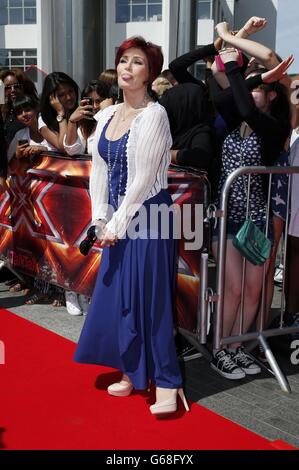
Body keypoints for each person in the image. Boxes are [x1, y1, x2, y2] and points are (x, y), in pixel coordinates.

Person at [74, 36, 189, 416]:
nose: (127, 67)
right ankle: (132, 371)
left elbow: (141, 180)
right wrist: (100, 218)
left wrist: (118, 223)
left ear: (149, 72)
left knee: (150, 300)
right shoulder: (106, 115)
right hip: (117, 222)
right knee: (118, 296)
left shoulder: (154, 115)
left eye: (137, 62)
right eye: (124, 60)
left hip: (149, 217)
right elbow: (100, 172)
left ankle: (169, 382)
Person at [209, 24, 292, 380]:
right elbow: (218, 79)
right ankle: (219, 349)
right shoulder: (228, 121)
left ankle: (237, 346)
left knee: (255, 290)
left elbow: (247, 103)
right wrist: (228, 45)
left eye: (259, 87)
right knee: (233, 287)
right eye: (250, 85)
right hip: (226, 218)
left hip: (256, 220)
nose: (249, 91)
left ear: (272, 95)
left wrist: (233, 54)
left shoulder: (273, 129)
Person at [64, 80, 110, 156]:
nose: (94, 106)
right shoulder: (83, 125)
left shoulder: (113, 119)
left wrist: (107, 113)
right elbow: (72, 151)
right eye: (91, 102)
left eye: (98, 101)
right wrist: (72, 121)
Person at [39, 72, 79, 152]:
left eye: (70, 91)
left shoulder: (81, 113)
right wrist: (61, 113)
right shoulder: (43, 120)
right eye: (61, 95)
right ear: (51, 99)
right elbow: (63, 147)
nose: (68, 97)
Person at [0, 68, 39, 145]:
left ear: (25, 87)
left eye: (17, 86)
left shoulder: (35, 109)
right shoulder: (4, 110)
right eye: (7, 87)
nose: (12, 90)